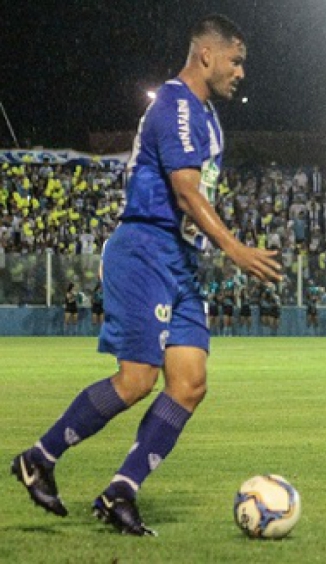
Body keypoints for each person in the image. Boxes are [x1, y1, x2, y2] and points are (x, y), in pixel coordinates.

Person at [10, 15, 281, 536]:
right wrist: (235, 249)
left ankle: (120, 492)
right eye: (236, 60)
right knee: (137, 379)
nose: (241, 72)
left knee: (190, 384)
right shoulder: (177, 106)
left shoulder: (206, 116)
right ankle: (39, 457)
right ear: (207, 55)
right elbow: (185, 191)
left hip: (180, 261)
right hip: (146, 251)